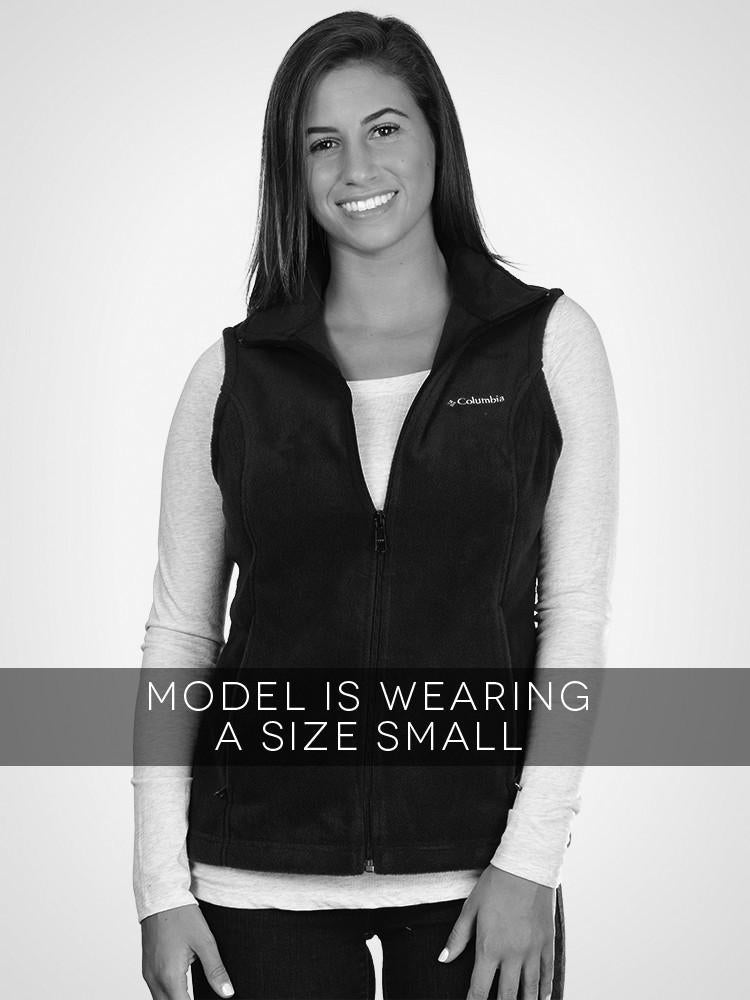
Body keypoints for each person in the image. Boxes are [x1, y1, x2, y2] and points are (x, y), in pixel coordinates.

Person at [132, 11, 618, 1000]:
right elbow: (181, 635)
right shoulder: (233, 375)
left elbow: (572, 616)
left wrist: (532, 862)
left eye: (385, 128)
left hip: (479, 874)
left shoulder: (544, 346)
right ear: (294, 169)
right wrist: (158, 887)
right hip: (253, 875)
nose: (357, 167)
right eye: (323, 143)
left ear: (437, 135)